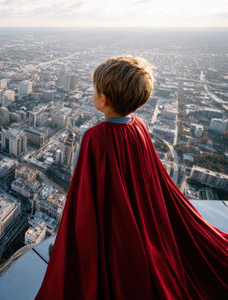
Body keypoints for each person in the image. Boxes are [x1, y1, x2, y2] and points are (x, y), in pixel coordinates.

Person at [35, 56, 227, 300]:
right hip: (133, 203)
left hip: (108, 211)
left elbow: (82, 185)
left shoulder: (94, 137)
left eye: (95, 91)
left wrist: (67, 247)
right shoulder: (140, 125)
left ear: (103, 100)